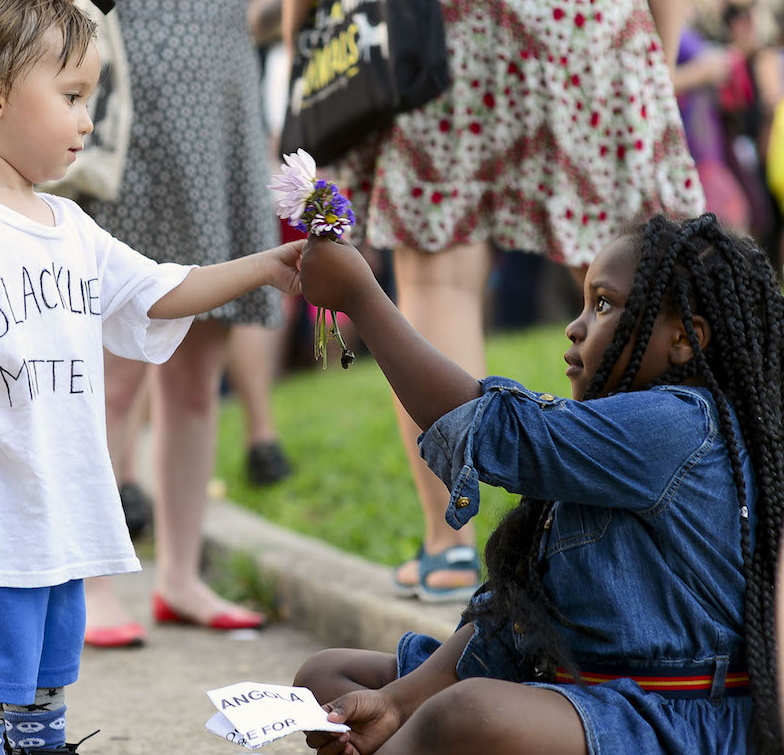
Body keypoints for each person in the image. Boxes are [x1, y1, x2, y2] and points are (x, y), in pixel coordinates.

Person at [0, 0, 303, 755]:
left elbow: (160, 289)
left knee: (41, 701)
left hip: (54, 524)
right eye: (70, 97)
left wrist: (265, 265)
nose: (88, 120)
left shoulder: (71, 228)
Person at [293, 212, 781, 754]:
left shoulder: (680, 425)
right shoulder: (615, 438)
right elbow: (514, 615)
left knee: (466, 714)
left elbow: (504, 431)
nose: (574, 327)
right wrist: (399, 701)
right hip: (566, 692)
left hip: (667, 720)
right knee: (327, 679)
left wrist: (363, 296)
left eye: (601, 304)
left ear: (685, 339)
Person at [282, 0, 705, 603]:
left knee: (439, 282)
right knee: (636, 265)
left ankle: (448, 544)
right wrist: (654, 49)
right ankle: (647, 528)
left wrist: (302, 30)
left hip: (435, 23)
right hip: (584, 10)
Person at [79, 0, 288, 636]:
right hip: (128, 105)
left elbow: (268, 9)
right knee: (115, 379)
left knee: (197, 379)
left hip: (222, 101)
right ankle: (91, 586)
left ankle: (179, 577)